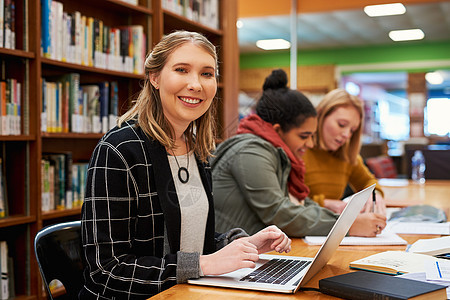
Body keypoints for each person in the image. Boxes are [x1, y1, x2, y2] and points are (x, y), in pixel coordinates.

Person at [79, 31, 291, 299]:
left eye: (207, 73)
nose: (196, 84)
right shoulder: (120, 150)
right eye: (182, 70)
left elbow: (187, 241)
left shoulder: (198, 149)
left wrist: (241, 244)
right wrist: (203, 265)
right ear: (154, 77)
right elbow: (107, 271)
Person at [211, 69, 386, 239]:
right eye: (304, 136)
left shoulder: (273, 152)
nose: (309, 143)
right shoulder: (252, 151)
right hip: (231, 259)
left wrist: (346, 220)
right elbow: (279, 212)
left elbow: (298, 203)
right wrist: (348, 225)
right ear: (278, 131)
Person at [303, 88, 387, 215]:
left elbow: (369, 182)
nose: (347, 135)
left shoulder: (347, 155)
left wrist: (375, 194)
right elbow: (285, 201)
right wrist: (325, 203)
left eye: (352, 130)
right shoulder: (300, 150)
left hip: (329, 229)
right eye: (341, 124)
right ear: (321, 116)